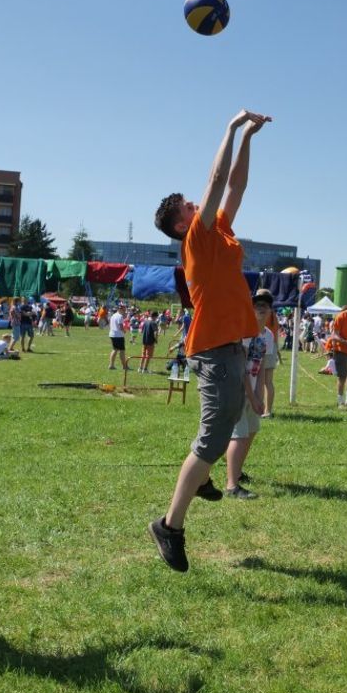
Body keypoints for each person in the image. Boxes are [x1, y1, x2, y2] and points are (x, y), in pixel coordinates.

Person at [147, 108, 271, 574]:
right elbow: (218, 179)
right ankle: (169, 526)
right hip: (213, 349)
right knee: (212, 438)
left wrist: (249, 138)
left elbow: (235, 186)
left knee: (222, 427)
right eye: (188, 205)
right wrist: (230, 127)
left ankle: (199, 480)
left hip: (227, 346)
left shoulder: (216, 229)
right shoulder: (196, 240)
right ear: (182, 224)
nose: (195, 203)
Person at [224, 290, 274, 499]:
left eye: (265, 305)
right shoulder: (245, 332)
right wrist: (252, 397)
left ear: (271, 311)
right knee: (239, 435)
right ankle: (231, 486)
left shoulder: (268, 335)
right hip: (236, 388)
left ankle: (237, 471)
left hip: (252, 390)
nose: (261, 308)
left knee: (251, 430)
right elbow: (241, 368)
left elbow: (261, 366)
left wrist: (259, 395)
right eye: (257, 304)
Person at [256, 292, 281, 418]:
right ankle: (267, 410)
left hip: (264, 343)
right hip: (271, 344)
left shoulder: (262, 313)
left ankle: (263, 409)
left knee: (261, 380)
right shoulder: (273, 314)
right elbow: (275, 332)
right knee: (268, 382)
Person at [329, 301, 347, 408]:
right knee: (342, 376)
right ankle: (340, 401)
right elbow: (335, 335)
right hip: (341, 350)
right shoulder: (341, 316)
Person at [108, 304, 128, 371]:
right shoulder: (120, 316)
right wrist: (124, 331)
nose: (124, 311)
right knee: (122, 351)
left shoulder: (113, 315)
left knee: (115, 349)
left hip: (112, 334)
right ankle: (124, 366)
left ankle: (111, 365)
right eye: (124, 309)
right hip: (118, 335)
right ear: (121, 309)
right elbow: (120, 326)